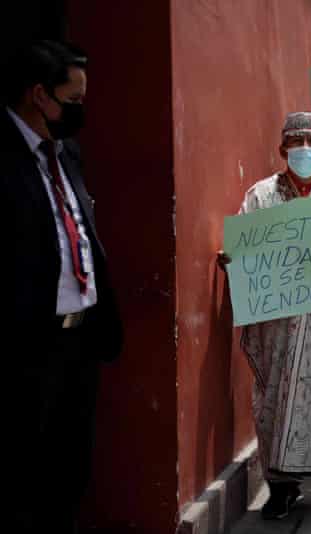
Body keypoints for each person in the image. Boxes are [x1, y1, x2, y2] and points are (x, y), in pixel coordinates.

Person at [218, 112, 311, 519]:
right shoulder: (260, 196)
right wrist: (232, 259)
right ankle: (282, 487)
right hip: (279, 321)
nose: (304, 148)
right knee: (275, 399)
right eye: (296, 141)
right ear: (283, 149)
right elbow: (246, 249)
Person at [3, 41, 123, 534]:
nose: (81, 110)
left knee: (70, 468)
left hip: (80, 341)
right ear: (39, 95)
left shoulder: (66, 152)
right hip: (27, 346)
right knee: (21, 474)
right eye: (73, 99)